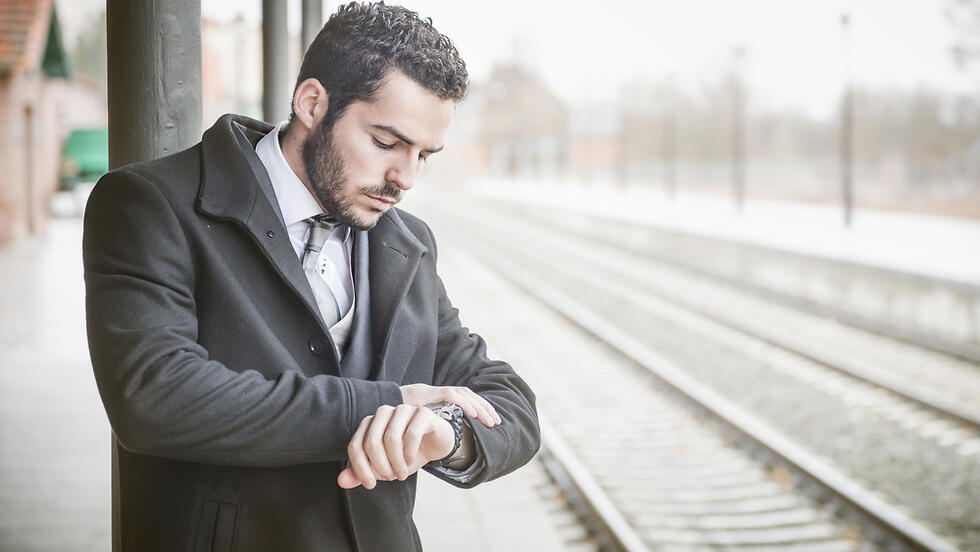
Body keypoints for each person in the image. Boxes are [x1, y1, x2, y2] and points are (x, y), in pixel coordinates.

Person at [82, 3, 540, 550]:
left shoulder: (409, 242)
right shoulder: (150, 204)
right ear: (312, 103)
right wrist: (384, 406)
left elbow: (507, 400)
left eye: (425, 155)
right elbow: (154, 398)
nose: (405, 178)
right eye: (387, 143)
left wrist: (446, 430)